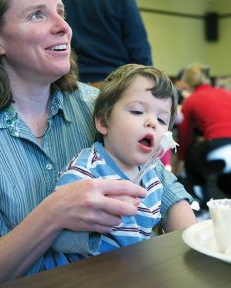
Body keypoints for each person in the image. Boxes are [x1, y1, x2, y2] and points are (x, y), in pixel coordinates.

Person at [0, 0, 148, 288]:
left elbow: (170, 193)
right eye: (37, 14)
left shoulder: (97, 104)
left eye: (60, 12)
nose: (63, 26)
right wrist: (55, 211)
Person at [48, 64, 196, 267]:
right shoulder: (86, 171)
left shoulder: (153, 178)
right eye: (137, 111)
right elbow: (55, 234)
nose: (152, 123)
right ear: (103, 121)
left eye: (162, 120)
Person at [176, 63, 231, 206]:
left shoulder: (191, 100)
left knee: (191, 159)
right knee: (224, 182)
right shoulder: (225, 93)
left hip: (218, 146)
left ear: (187, 83)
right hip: (225, 147)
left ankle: (203, 205)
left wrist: (181, 161)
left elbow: (185, 137)